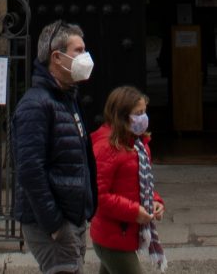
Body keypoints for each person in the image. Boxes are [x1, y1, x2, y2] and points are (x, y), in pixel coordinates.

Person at [12, 21, 96, 274]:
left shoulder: (66, 99)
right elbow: (29, 171)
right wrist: (55, 225)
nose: (85, 57)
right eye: (78, 51)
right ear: (57, 58)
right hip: (54, 226)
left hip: (72, 218)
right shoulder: (36, 105)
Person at [87, 85, 164, 274]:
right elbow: (98, 195)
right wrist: (134, 211)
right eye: (138, 113)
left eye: (144, 112)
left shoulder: (139, 145)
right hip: (113, 236)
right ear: (122, 116)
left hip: (124, 234)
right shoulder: (106, 148)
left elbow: (140, 183)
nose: (143, 118)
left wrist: (155, 200)